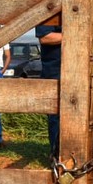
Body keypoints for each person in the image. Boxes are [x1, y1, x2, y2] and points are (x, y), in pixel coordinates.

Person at [35, 24, 62, 159]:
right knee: (56, 115)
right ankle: (56, 156)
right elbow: (45, 37)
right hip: (55, 70)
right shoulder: (48, 11)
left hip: (79, 68)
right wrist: (75, 35)